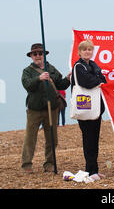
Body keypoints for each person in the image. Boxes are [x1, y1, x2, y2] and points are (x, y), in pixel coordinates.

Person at [21, 43, 71, 173]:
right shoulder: (27, 71)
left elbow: (60, 84)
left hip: (52, 109)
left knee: (52, 138)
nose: (38, 56)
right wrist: (39, 78)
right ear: (31, 56)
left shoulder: (51, 68)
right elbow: (27, 85)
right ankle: (26, 164)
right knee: (30, 138)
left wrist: (68, 78)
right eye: (35, 54)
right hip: (34, 110)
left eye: (40, 53)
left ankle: (49, 164)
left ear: (44, 55)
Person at [71, 39, 106, 180]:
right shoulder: (78, 66)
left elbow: (103, 79)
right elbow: (87, 82)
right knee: (88, 139)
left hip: (95, 108)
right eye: (84, 49)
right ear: (79, 52)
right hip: (84, 106)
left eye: (90, 49)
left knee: (95, 139)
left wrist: (97, 80)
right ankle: (89, 170)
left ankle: (95, 170)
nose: (87, 52)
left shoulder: (93, 64)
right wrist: (97, 80)